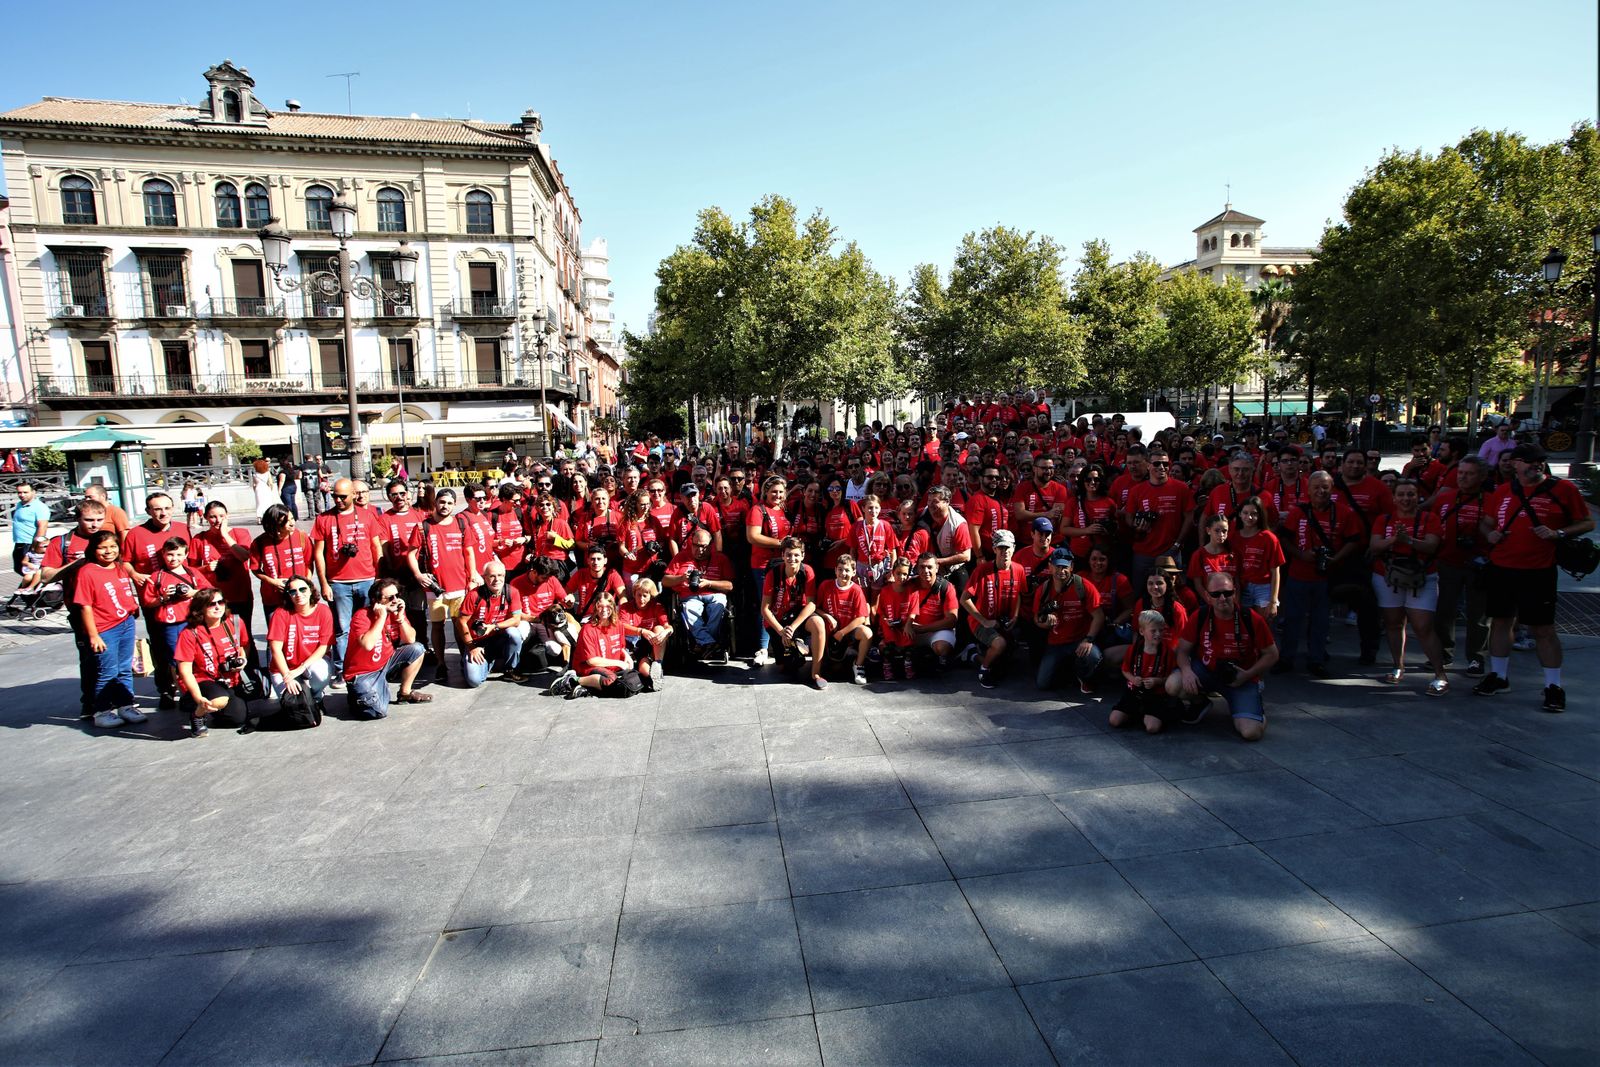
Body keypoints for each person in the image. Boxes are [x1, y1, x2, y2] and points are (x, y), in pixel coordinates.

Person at [1473, 443, 1594, 711]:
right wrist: (1489, 534)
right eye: (1528, 460)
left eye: (1539, 460)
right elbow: (1487, 523)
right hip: (1502, 567)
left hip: (1539, 570)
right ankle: (1499, 676)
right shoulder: (1503, 491)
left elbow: (1587, 522)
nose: (1536, 464)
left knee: (1543, 629)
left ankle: (1553, 685)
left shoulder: (1563, 489)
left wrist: (1559, 534)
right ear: (1514, 464)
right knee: (1501, 622)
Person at [1168, 571, 1279, 741]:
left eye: (1227, 593)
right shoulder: (1200, 615)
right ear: (1207, 595)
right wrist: (1186, 670)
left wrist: (1248, 674)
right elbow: (1182, 650)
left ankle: (1255, 710)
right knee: (1173, 685)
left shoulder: (1251, 618)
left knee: (1251, 733)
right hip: (1205, 671)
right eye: (1216, 594)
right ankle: (1200, 703)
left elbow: (1272, 654)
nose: (1222, 598)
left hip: (1240, 677)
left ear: (1235, 592)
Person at [1276, 471, 1362, 677]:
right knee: (1292, 619)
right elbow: (1285, 539)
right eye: (1316, 487)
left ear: (1332, 489)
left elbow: (1354, 540)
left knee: (1321, 621)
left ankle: (1316, 659)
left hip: (1326, 577)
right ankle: (1287, 658)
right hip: (1299, 574)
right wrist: (1300, 554)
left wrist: (1337, 557)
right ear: (1308, 489)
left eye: (1325, 487)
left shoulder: (1344, 513)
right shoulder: (1298, 512)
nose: (1320, 491)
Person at [1370, 478, 1449, 694]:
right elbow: (1375, 545)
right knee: (1394, 624)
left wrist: (1409, 540)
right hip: (1387, 578)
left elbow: (1432, 545)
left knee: (1423, 627)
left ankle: (1440, 674)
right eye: (1401, 495)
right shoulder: (1384, 519)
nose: (1406, 499)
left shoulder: (1429, 518)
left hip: (1422, 578)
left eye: (1411, 494)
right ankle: (1398, 666)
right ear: (1394, 498)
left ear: (1418, 497)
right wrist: (1395, 539)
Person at [408, 488, 481, 684]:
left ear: (454, 504)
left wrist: (472, 575)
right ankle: (441, 663)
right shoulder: (423, 527)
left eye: (449, 503)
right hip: (435, 589)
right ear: (435, 503)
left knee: (460, 623)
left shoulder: (461, 524)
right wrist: (418, 575)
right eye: (442, 502)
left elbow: (469, 552)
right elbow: (411, 554)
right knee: (438, 626)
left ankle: (464, 657)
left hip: (460, 586)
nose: (445, 506)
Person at [74, 529, 145, 729]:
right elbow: (85, 606)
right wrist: (93, 635)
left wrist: (132, 608)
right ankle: (102, 711)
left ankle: (126, 705)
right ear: (93, 549)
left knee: (125, 668)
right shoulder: (87, 572)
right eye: (102, 547)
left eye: (113, 546)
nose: (108, 551)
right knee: (107, 670)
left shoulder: (120, 567)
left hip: (125, 623)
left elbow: (123, 591)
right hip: (105, 628)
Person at [313, 478, 384, 678]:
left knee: (368, 624)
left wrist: (379, 576)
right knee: (342, 629)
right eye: (334, 496)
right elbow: (318, 553)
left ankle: (368, 665)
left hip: (367, 579)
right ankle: (343, 670)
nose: (338, 500)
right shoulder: (323, 519)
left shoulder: (368, 516)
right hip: (338, 583)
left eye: (343, 496)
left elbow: (376, 546)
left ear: (354, 494)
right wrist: (324, 583)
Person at [1431, 455, 1491, 675]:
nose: (1463, 478)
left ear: (1482, 476)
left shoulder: (1492, 500)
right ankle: (1444, 652)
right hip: (1448, 562)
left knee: (1479, 615)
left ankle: (1476, 657)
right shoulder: (1444, 499)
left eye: (1470, 473)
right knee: (1444, 611)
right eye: (1461, 473)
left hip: (1480, 565)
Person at [344, 578, 430, 717]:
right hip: (363, 673)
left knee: (417, 649)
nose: (395, 600)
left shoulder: (395, 613)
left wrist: (400, 618)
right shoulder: (362, 616)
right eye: (390, 597)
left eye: (397, 595)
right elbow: (368, 644)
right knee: (378, 711)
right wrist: (381, 617)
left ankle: (405, 694)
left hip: (386, 663)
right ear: (376, 600)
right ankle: (358, 696)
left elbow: (410, 639)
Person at [173, 590, 253, 737]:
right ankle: (197, 714)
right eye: (211, 604)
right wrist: (198, 698)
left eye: (221, 602)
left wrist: (243, 660)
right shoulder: (190, 633)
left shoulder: (235, 622)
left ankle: (216, 707)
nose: (218, 607)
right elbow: (185, 671)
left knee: (238, 717)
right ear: (200, 608)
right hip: (202, 679)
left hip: (229, 679)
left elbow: (244, 646)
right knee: (219, 700)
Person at [1032, 547, 1104, 693]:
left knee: (1093, 656)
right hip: (1056, 642)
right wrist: (1044, 623)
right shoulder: (1044, 589)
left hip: (1080, 640)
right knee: (1043, 684)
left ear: (1071, 567)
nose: (1061, 571)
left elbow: (1099, 616)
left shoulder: (1083, 586)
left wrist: (1088, 639)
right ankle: (1068, 673)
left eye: (1065, 566)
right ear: (1050, 567)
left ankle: (1084, 677)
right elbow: (1036, 618)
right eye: (1057, 566)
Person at [760, 535, 829, 689]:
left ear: (803, 556)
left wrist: (793, 627)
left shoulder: (808, 571)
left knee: (818, 622)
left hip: (798, 619)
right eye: (788, 554)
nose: (792, 558)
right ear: (782, 555)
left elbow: (811, 603)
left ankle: (816, 673)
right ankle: (795, 647)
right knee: (789, 667)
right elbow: (764, 609)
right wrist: (781, 631)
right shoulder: (774, 574)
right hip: (778, 623)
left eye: (797, 554)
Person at [962, 528, 1026, 689]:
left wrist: (1016, 616)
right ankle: (983, 671)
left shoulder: (1018, 569)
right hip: (982, 621)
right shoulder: (982, 570)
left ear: (1014, 548)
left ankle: (973, 656)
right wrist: (984, 621)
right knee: (999, 644)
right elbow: (964, 599)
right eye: (1001, 547)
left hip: (1005, 621)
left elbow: (1020, 594)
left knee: (1006, 661)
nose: (1005, 552)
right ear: (994, 549)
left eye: (1008, 547)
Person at [547, 590, 642, 699]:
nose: (604, 610)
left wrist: (627, 656)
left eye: (608, 606)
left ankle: (588, 688)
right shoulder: (588, 629)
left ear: (613, 607)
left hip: (610, 667)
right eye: (600, 606)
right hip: (588, 667)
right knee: (611, 680)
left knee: (632, 681)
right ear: (595, 607)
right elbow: (591, 661)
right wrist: (619, 663)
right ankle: (574, 680)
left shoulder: (618, 625)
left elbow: (620, 647)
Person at [662, 527, 736, 658]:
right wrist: (681, 578)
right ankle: (710, 643)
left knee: (718, 606)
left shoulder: (720, 558)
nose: (699, 550)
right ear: (691, 543)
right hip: (690, 596)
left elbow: (730, 585)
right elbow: (665, 581)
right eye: (695, 545)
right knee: (690, 609)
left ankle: (704, 643)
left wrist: (709, 583)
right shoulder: (682, 556)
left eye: (703, 546)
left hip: (714, 594)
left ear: (711, 545)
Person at [456, 559, 529, 687]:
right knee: (474, 681)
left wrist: (494, 627)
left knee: (514, 633)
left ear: (505, 575)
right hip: (478, 642)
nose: (497, 580)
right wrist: (471, 647)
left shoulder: (511, 592)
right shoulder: (474, 595)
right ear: (484, 577)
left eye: (500, 575)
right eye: (492, 576)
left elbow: (516, 620)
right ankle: (486, 662)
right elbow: (461, 622)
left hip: (499, 637)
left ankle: (509, 670)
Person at [265, 578, 334, 708]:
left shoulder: (323, 611)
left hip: (309, 664)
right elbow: (275, 650)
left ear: (310, 591)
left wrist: (301, 668)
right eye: (293, 591)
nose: (298, 594)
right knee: (293, 706)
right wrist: (287, 676)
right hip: (285, 668)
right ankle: (304, 697)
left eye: (303, 589)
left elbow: (324, 646)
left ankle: (316, 697)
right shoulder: (280, 614)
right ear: (288, 595)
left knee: (321, 673)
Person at [1112, 609, 1180, 734]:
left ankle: (1156, 714)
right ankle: (1138, 712)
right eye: (1153, 631)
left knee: (1152, 728)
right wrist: (1132, 679)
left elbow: (1170, 677)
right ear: (1142, 631)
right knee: (1114, 721)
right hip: (1134, 692)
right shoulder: (1134, 650)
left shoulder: (1167, 652)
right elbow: (1125, 670)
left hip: (1156, 695)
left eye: (1161, 630)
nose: (1158, 634)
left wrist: (1157, 681)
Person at [817, 553, 873, 685]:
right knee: (833, 670)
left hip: (848, 631)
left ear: (854, 572)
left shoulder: (856, 590)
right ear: (835, 570)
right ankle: (820, 662)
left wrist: (842, 633)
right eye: (840, 569)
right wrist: (827, 616)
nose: (843, 573)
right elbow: (815, 608)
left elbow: (861, 617)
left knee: (867, 633)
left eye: (847, 570)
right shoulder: (826, 585)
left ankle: (858, 665)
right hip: (830, 634)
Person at [619, 577, 670, 691]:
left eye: (645, 596)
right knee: (644, 671)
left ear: (651, 596)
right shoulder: (626, 608)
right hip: (634, 644)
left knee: (659, 628)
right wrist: (641, 631)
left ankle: (658, 663)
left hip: (652, 644)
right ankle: (652, 678)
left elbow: (667, 626)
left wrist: (666, 631)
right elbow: (622, 627)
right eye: (639, 595)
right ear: (634, 594)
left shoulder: (656, 607)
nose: (641, 599)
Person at [9, 480, 52, 575]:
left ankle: (31, 588)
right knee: (18, 568)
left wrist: (36, 547)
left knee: (29, 571)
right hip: (19, 542)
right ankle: (30, 587)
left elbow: (42, 527)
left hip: (30, 544)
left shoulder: (40, 507)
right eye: (19, 492)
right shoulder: (20, 505)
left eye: (25, 492)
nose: (22, 495)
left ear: (33, 492)